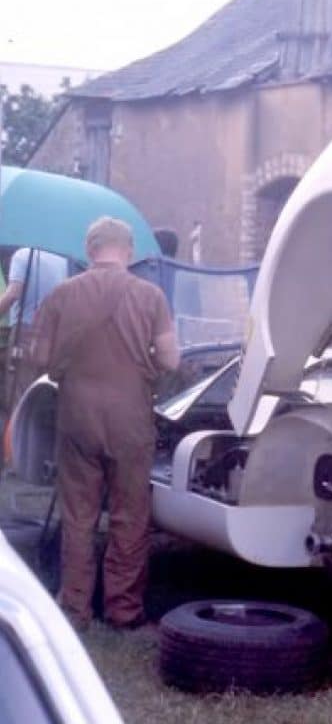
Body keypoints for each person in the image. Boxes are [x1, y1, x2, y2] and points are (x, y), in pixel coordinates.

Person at [30, 216, 179, 631]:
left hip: (77, 414)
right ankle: (123, 610)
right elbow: (170, 360)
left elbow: (39, 359)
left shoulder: (61, 295)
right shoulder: (150, 296)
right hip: (131, 417)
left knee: (79, 514)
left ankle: (75, 609)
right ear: (127, 250)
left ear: (90, 249)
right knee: (130, 515)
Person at [0, 248, 69, 413]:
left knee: (17, 396)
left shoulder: (22, 255)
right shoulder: (62, 260)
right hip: (52, 336)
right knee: (40, 395)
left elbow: (12, 294)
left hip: (24, 333)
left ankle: (14, 437)